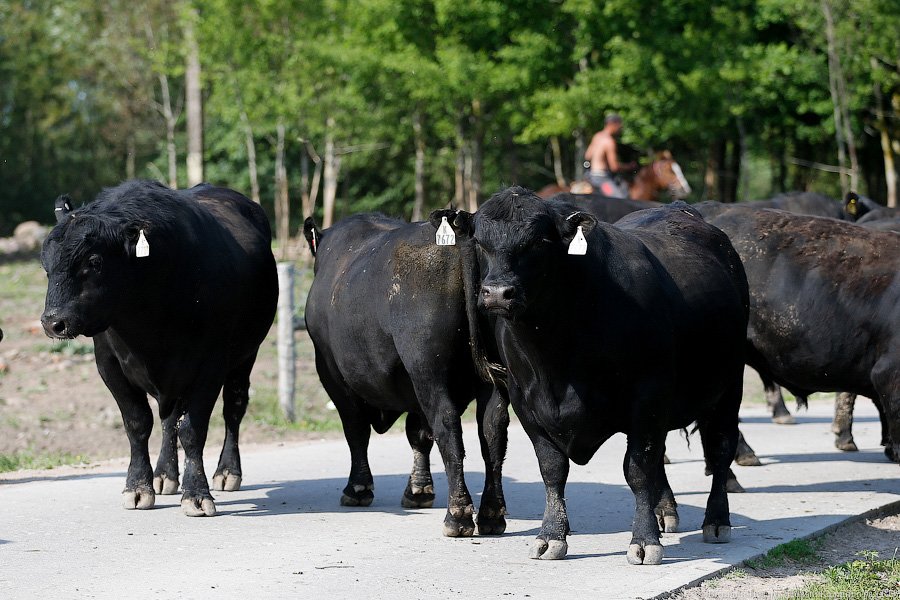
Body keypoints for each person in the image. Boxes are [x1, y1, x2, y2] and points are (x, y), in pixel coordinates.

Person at [584, 114, 636, 198]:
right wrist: (629, 166)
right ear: (613, 124)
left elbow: (588, 155)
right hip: (602, 179)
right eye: (619, 126)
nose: (620, 129)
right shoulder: (609, 141)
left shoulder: (597, 136)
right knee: (620, 199)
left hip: (591, 176)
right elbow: (614, 167)